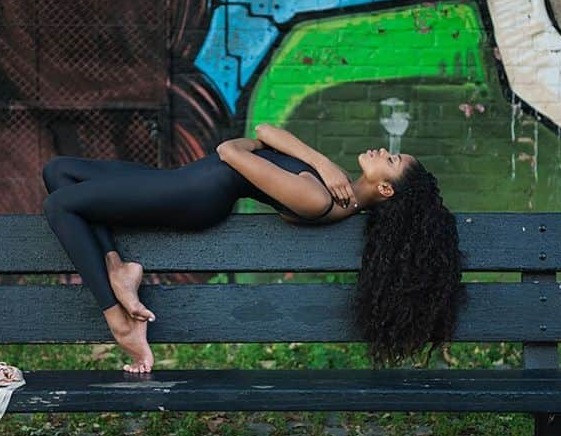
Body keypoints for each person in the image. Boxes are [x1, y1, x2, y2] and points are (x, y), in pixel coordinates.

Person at [41, 123, 466, 373]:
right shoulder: (330, 183)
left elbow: (232, 149)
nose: (381, 151)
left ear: (386, 188)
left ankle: (120, 321)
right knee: (59, 171)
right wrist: (321, 161)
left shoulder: (318, 200)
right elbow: (263, 131)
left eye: (389, 160)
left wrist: (297, 159)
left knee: (59, 204)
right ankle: (118, 266)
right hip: (192, 179)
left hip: (194, 193)